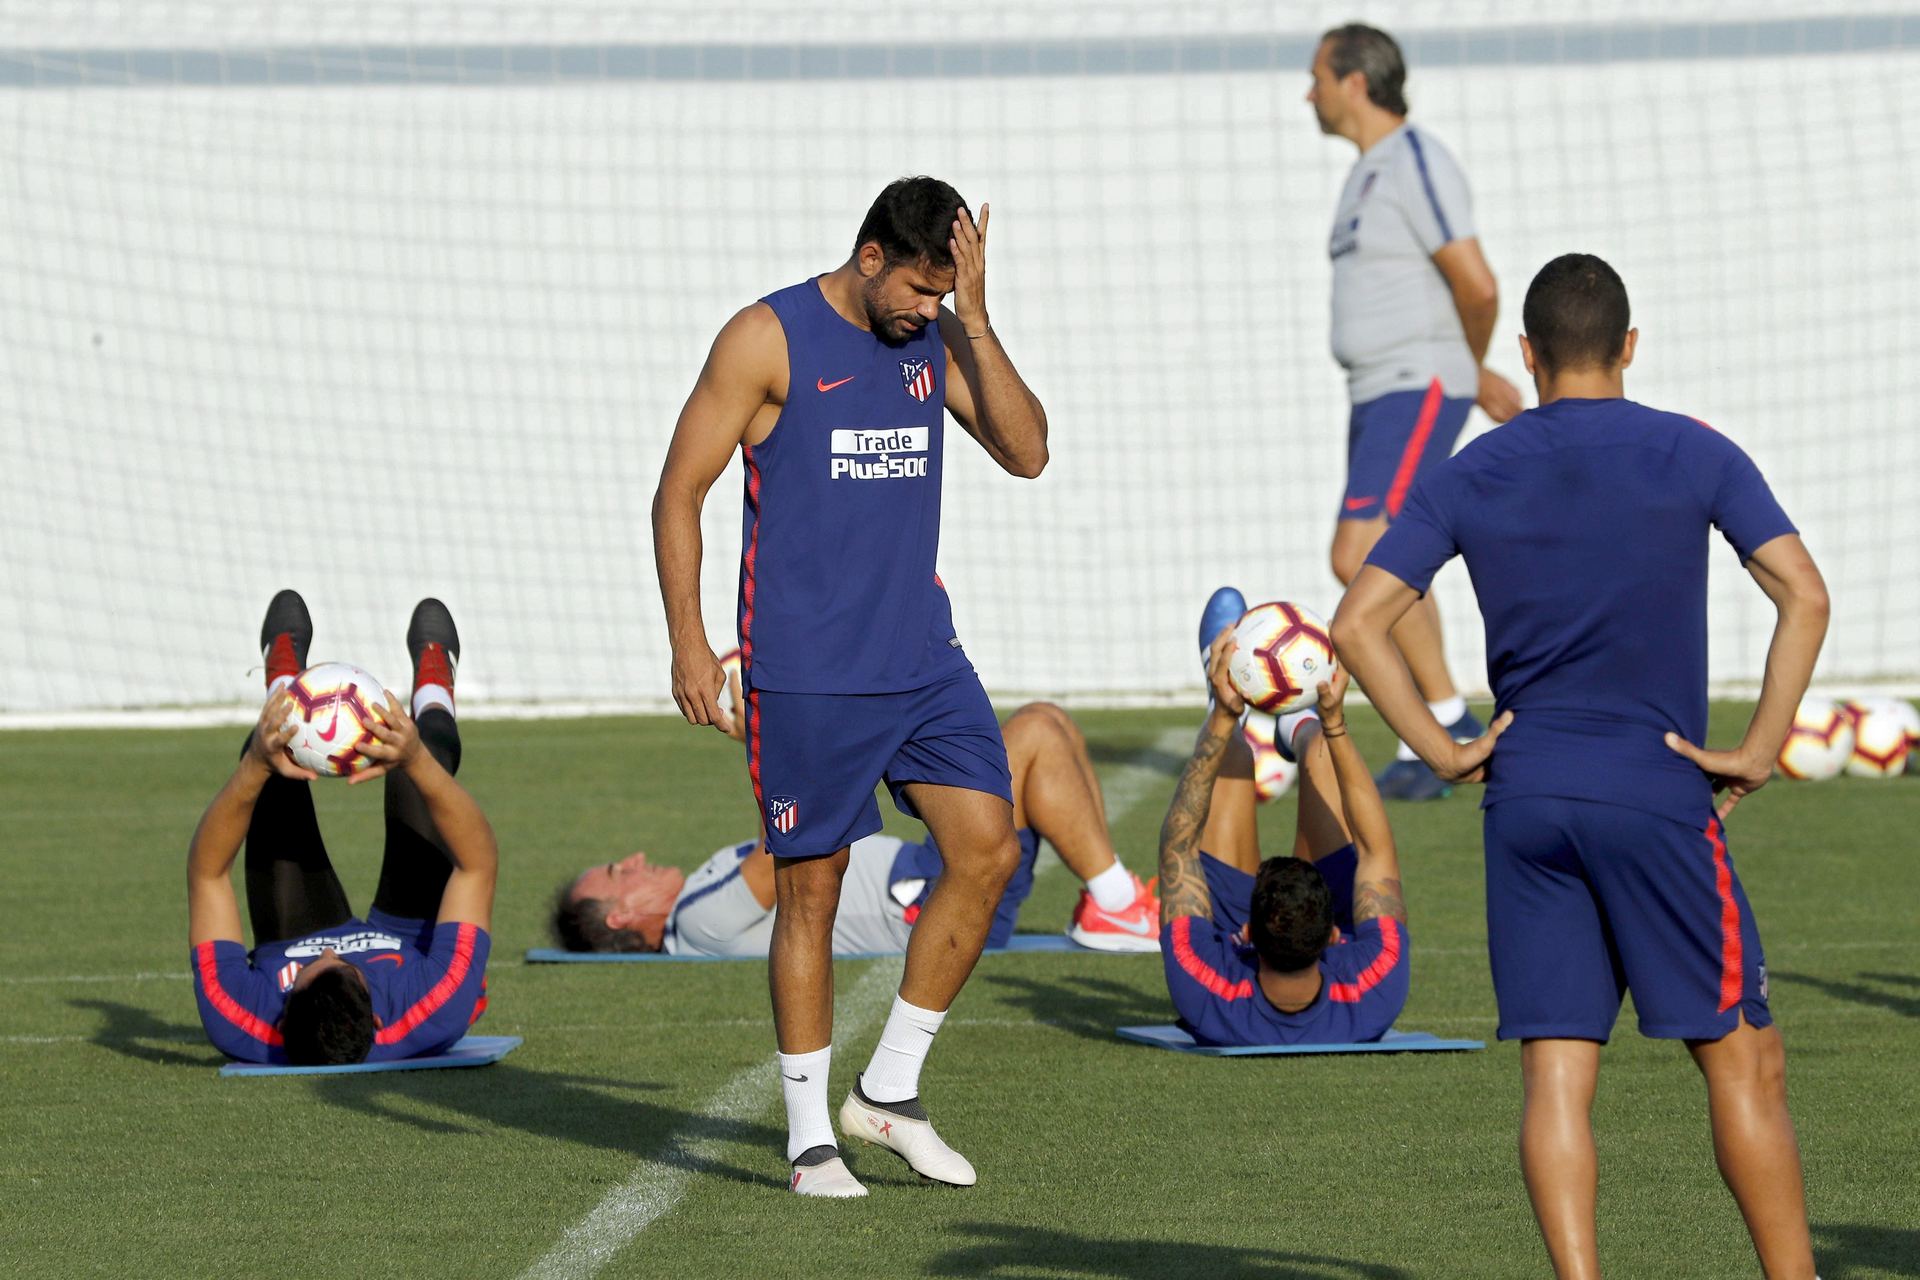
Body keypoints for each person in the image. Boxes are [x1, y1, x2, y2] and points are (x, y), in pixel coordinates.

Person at [1333, 254, 1825, 1280]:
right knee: (1744, 1056)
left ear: (1527, 354)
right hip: (1656, 793)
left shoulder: (1471, 471)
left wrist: (1445, 748)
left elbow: (1357, 621)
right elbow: (1804, 595)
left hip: (1526, 800)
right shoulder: (1694, 451)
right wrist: (1761, 746)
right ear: (1630, 347)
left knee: (1558, 1075)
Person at [651, 176, 1049, 1196]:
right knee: (811, 892)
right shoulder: (765, 338)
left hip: (922, 660)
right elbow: (679, 490)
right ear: (870, 256)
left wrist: (978, 321)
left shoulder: (939, 336)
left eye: (943, 293)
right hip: (809, 674)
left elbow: (1028, 450)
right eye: (920, 288)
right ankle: (808, 1139)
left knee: (989, 848)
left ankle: (890, 1091)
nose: (927, 308)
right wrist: (690, 644)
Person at [1307, 22, 1522, 799]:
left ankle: (1448, 722)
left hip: (1412, 384)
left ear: (1355, 82)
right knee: (1389, 552)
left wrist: (1463, 367)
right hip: (1378, 390)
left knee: (1361, 553)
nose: (1310, 92)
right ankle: (1445, 719)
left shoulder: (1416, 159)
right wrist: (1477, 370)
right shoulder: (1366, 174)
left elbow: (1478, 284)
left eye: (1318, 77)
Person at [554, 702, 1159, 956]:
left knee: (1046, 721)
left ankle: (1113, 901)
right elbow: (788, 839)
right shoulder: (695, 920)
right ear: (620, 917)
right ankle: (1114, 906)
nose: (631, 858)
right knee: (1034, 734)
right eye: (617, 874)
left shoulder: (697, 904)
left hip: (927, 877)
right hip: (931, 902)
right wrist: (774, 737)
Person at [188, 591, 496, 1066]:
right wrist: (413, 757)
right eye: (346, 968)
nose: (331, 951)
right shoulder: (435, 1005)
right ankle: (435, 689)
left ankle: (282, 688)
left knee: (268, 779)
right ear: (377, 1018)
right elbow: (477, 863)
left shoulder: (241, 1018)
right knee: (416, 778)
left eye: (312, 970)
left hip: (292, 933)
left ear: (284, 1015)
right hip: (412, 939)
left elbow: (207, 873)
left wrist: (254, 763)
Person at [1156, 614, 1409, 1047]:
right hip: (1322, 733)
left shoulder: (1207, 990)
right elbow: (1375, 850)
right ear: (1334, 936)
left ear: (1247, 934)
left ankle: (1223, 704)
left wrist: (1221, 718)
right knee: (1322, 750)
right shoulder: (1373, 985)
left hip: (1238, 933)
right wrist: (1335, 725)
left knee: (1231, 753)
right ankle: (1303, 722)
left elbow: (1181, 844)